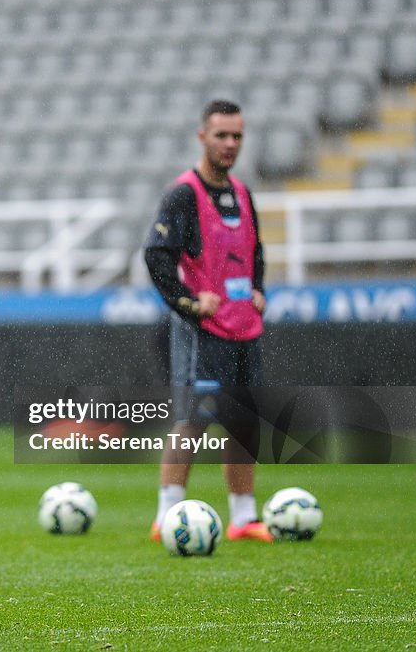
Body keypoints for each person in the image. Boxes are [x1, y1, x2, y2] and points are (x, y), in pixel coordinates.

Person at [144, 100, 273, 543]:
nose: (230, 144)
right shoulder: (184, 194)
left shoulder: (242, 193)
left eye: (237, 135)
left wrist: (257, 287)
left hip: (245, 328)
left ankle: (243, 517)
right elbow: (156, 255)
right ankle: (166, 514)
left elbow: (254, 250)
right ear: (203, 137)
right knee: (193, 422)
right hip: (204, 331)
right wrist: (185, 301)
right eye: (221, 135)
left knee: (244, 422)